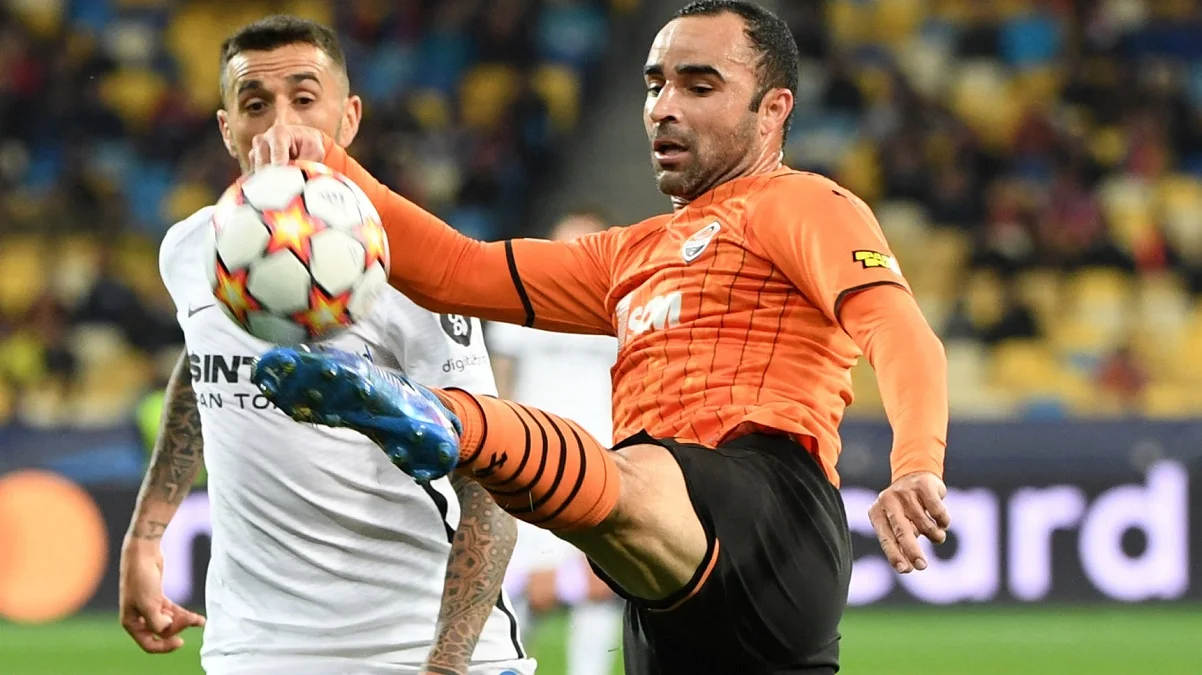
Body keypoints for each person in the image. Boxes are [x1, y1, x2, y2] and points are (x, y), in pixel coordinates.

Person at [250, 2, 951, 673]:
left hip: (771, 514)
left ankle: (448, 420)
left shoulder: (805, 204)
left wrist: (916, 462)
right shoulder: (626, 255)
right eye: (655, 84)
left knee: (630, 474)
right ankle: (455, 427)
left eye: (699, 85)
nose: (664, 106)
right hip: (666, 577)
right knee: (629, 485)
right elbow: (455, 271)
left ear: (773, 109)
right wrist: (331, 167)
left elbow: (896, 327)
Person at [118, 16, 533, 675]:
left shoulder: (417, 267)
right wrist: (146, 533)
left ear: (350, 118)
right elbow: (205, 366)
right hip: (255, 651)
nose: (282, 126)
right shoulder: (191, 248)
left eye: (305, 99)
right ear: (227, 129)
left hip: (415, 647)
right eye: (256, 104)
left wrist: (445, 665)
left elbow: (491, 483)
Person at [490, 209, 623, 675]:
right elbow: (499, 388)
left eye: (585, 244)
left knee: (598, 594)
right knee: (515, 599)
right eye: (564, 244)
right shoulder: (519, 304)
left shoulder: (626, 308)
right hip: (531, 465)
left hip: (605, 466)